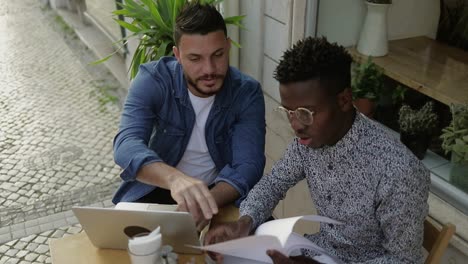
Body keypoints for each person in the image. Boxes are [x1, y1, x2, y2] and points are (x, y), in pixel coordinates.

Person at [205, 37, 430, 263]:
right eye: (289, 111)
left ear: (343, 99)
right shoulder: (310, 141)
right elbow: (273, 183)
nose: (296, 125)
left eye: (306, 112)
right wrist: (244, 222)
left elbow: (404, 260)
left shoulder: (400, 172)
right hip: (317, 252)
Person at [112, 2, 266, 229]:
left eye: (218, 55)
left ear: (228, 46)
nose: (209, 69)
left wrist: (205, 202)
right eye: (195, 59)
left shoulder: (246, 92)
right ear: (177, 55)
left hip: (222, 192)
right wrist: (175, 179)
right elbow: (126, 145)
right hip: (161, 189)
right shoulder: (153, 80)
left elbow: (248, 166)